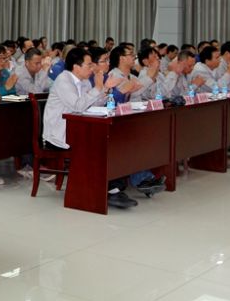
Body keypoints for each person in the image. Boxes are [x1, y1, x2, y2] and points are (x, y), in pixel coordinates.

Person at [43, 48, 165, 209]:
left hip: (79, 129)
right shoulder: (63, 80)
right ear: (76, 67)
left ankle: (115, 188)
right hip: (59, 134)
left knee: (117, 141)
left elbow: (95, 103)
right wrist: (100, 87)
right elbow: (78, 106)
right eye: (88, 65)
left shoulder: (84, 81)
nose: (91, 68)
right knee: (105, 145)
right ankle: (111, 190)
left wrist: (105, 89)